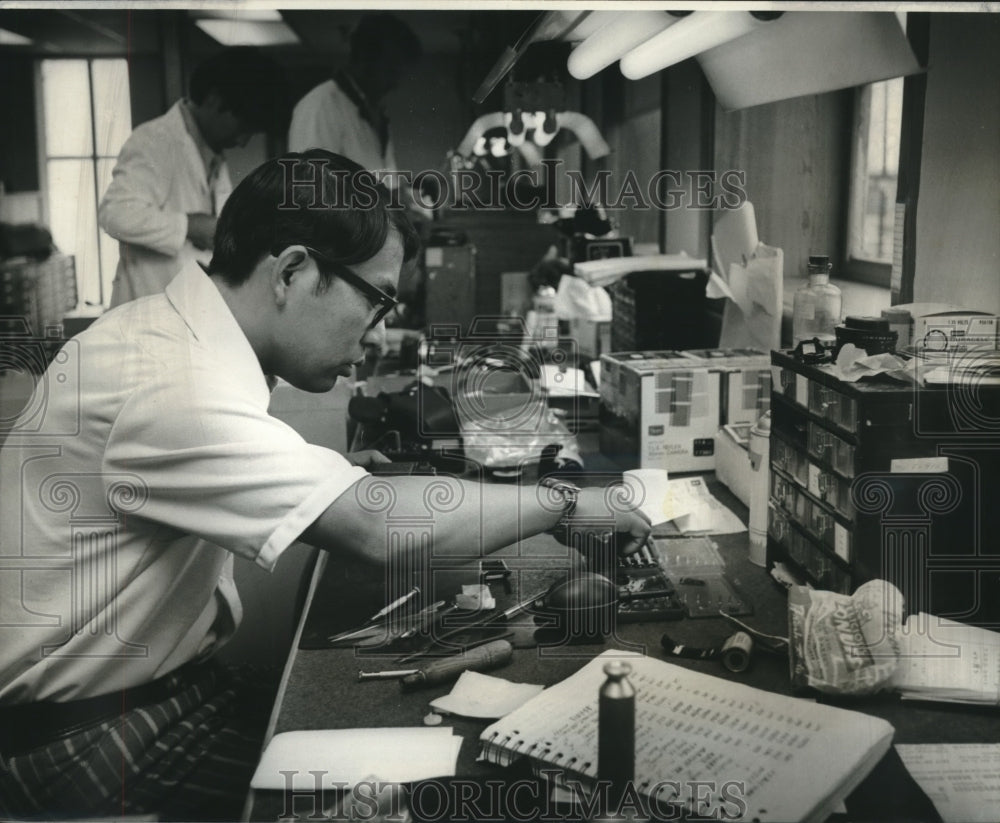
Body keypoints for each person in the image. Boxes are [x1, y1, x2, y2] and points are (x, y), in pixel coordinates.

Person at [0, 150, 650, 820]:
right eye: (377, 301)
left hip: (156, 692)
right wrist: (562, 500)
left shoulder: (168, 337)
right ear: (291, 271)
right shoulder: (170, 380)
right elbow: (371, 525)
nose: (378, 333)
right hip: (81, 742)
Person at [98, 46, 288, 308]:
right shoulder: (155, 141)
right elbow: (115, 214)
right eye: (243, 127)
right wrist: (191, 225)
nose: (244, 142)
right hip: (148, 308)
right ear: (213, 100)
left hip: (188, 306)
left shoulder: (211, 152)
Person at [288, 13, 420, 177]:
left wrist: (399, 194)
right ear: (364, 59)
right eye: (390, 71)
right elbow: (309, 190)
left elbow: (381, 182)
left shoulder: (375, 112)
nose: (395, 85)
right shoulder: (320, 106)